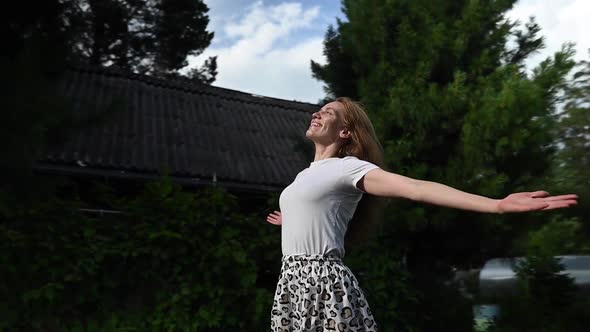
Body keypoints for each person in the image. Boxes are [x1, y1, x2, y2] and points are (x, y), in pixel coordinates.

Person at [266, 97, 578, 332]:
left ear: (345, 131)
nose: (317, 113)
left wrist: (495, 204)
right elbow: (316, 215)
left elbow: (416, 188)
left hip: (321, 283)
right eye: (319, 109)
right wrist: (292, 220)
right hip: (292, 282)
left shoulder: (349, 168)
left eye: (329, 112)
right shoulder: (304, 175)